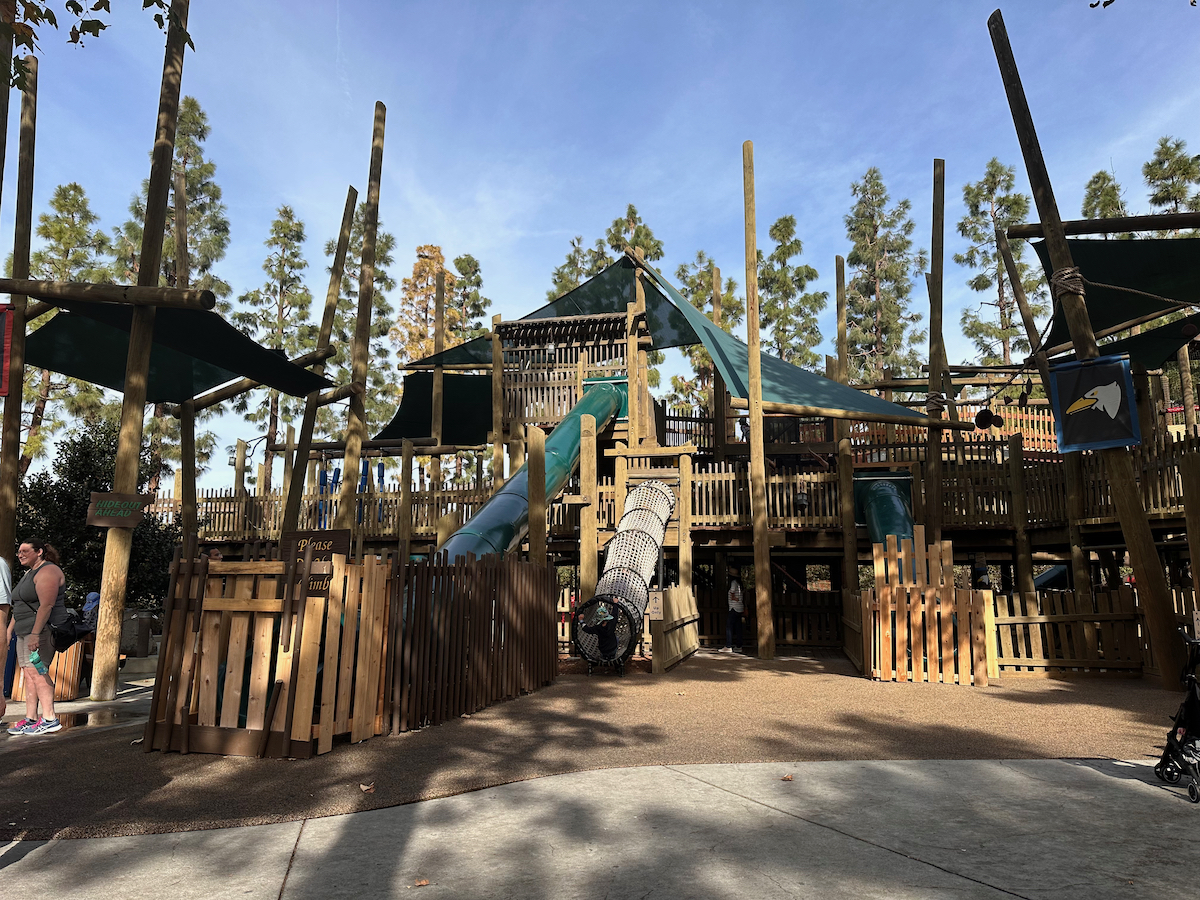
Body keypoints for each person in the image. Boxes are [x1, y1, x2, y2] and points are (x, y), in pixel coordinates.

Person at [7, 538, 69, 736]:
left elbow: (46, 605)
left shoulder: (48, 571)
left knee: (38, 672)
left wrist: (35, 634)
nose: (20, 555)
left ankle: (50, 719)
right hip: (23, 631)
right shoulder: (29, 573)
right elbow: (19, 606)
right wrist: (9, 632)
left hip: (41, 632)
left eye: (25, 551)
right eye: (19, 552)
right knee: (28, 673)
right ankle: (31, 718)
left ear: (39, 552)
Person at [724, 575, 745, 653]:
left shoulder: (733, 582)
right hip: (740, 607)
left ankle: (728, 645)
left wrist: (733, 597)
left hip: (734, 607)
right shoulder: (739, 584)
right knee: (738, 627)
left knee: (729, 627)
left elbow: (732, 591)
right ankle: (739, 646)